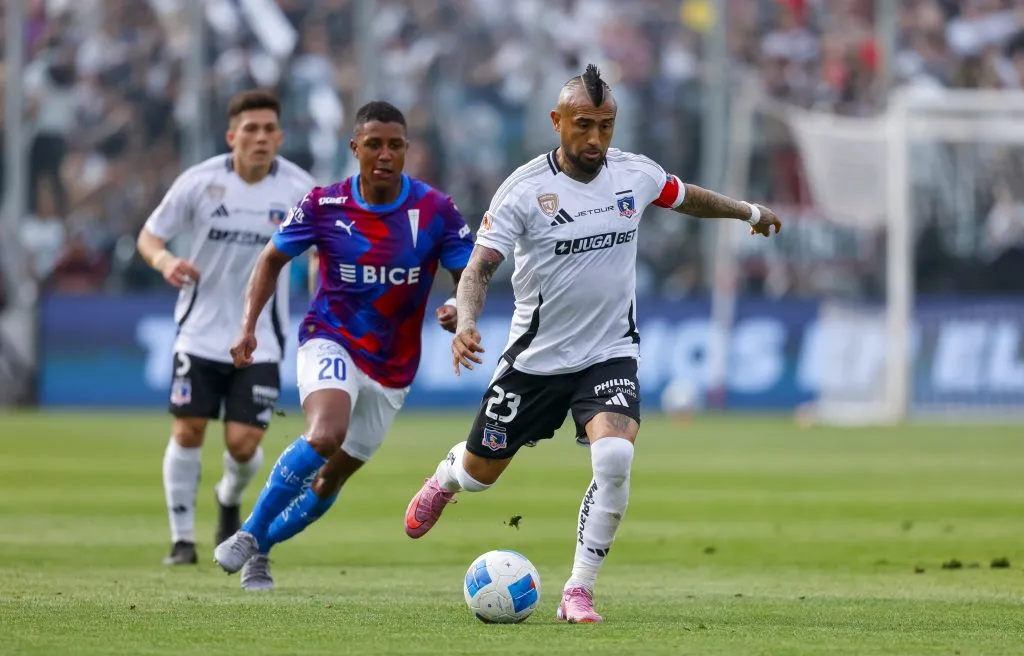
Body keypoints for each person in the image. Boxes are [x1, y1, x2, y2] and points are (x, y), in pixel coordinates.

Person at [403, 65, 782, 622]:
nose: (596, 139)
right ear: (557, 122)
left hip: (609, 352)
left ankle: (578, 589)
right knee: (481, 474)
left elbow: (687, 196)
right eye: (583, 125)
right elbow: (481, 267)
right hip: (533, 362)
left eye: (606, 126)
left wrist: (747, 211)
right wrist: (465, 323)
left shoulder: (634, 174)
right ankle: (444, 480)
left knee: (614, 456)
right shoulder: (524, 190)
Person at [213, 101, 473, 590]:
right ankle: (248, 533)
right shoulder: (323, 205)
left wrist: (460, 310)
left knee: (330, 478)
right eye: (373, 143)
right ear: (354, 147)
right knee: (325, 433)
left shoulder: (434, 210)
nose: (384, 154)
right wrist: (247, 326)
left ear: (406, 150)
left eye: (395, 144)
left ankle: (262, 548)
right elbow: (270, 260)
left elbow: (469, 275)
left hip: (393, 367)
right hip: (330, 338)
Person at [137, 90, 315, 566]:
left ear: (279, 136)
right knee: (189, 428)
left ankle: (229, 495)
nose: (260, 137)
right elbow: (149, 234)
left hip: (263, 339)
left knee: (243, 444)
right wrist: (165, 259)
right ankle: (181, 540)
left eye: (269, 129)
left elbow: (323, 249)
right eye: (250, 129)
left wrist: (321, 288)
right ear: (232, 135)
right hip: (198, 332)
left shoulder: (300, 188)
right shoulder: (200, 182)